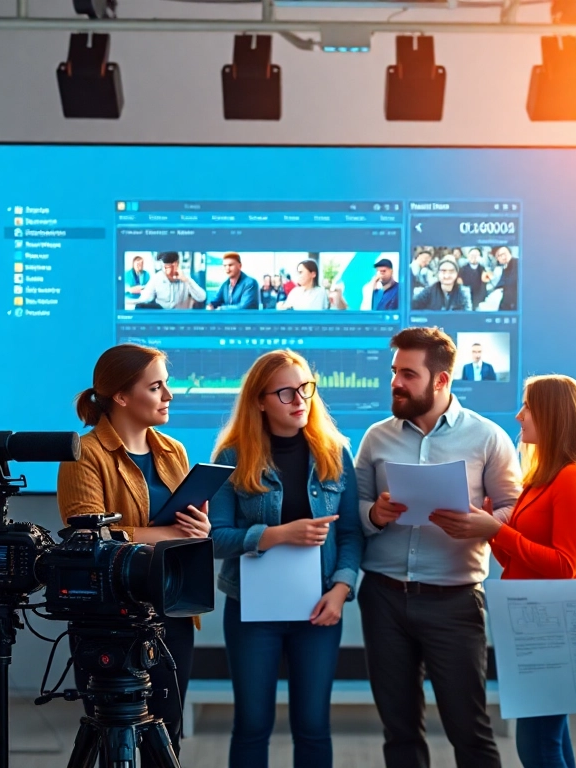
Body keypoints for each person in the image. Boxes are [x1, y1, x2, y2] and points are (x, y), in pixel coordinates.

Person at [355, 327, 522, 768]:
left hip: (455, 601)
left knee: (469, 731)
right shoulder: (376, 437)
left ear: (442, 380)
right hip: (384, 597)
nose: (395, 382)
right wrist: (374, 514)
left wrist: (484, 525)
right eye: (394, 372)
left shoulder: (488, 438)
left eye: (408, 374)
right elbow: (355, 505)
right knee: (400, 733)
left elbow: (513, 509)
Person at [432, 375, 576, 768]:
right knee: (550, 740)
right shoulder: (540, 480)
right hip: (533, 624)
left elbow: (564, 566)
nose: (518, 416)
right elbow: (519, 561)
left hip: (556, 628)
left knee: (538, 746)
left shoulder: (574, 477)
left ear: (552, 414)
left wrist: (497, 530)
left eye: (528, 407)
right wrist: (489, 528)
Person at [209, 350, 365, 768]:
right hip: (251, 613)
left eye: (305, 389)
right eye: (285, 392)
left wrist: (341, 589)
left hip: (319, 611)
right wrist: (276, 535)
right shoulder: (232, 457)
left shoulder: (335, 453)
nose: (300, 400)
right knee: (252, 725)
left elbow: (350, 534)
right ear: (259, 401)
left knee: (313, 726)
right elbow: (215, 539)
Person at [57, 344, 213, 754]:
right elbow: (86, 539)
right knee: (113, 738)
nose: (169, 395)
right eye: (157, 386)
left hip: (172, 608)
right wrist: (169, 534)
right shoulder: (83, 453)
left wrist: (200, 529)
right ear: (122, 396)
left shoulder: (173, 450)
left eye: (167, 385)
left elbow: (188, 533)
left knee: (167, 736)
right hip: (109, 618)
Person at [139, 251, 207, 310]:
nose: (166, 271)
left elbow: (202, 297)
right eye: (164, 267)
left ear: (176, 265)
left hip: (180, 318)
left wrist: (186, 280)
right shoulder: (157, 278)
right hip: (162, 316)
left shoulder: (185, 278)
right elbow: (145, 298)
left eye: (168, 267)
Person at [488, 246, 519, 311]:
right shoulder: (505, 268)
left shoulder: (518, 264)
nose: (503, 257)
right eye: (499, 255)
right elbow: (501, 284)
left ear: (510, 253)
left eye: (504, 254)